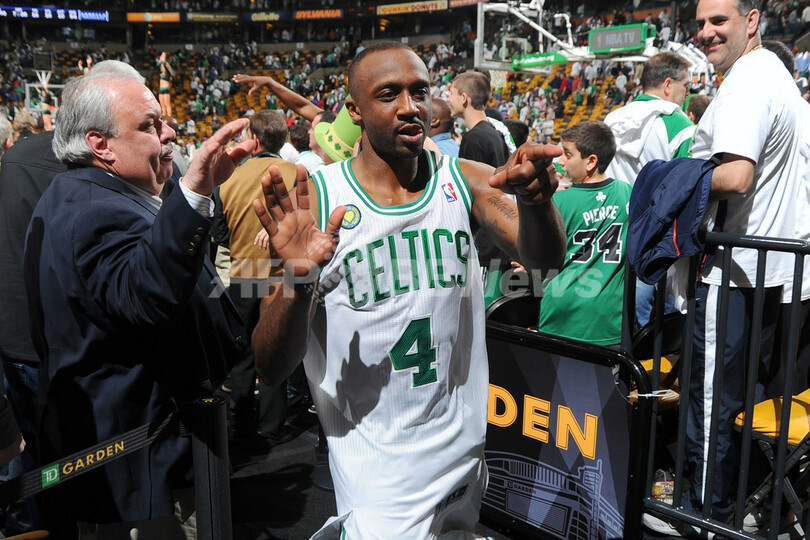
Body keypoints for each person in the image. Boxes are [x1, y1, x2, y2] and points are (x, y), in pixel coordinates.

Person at [250, 41, 566, 538]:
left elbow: (545, 261)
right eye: (388, 94)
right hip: (379, 477)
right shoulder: (316, 200)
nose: (409, 106)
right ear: (355, 110)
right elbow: (270, 366)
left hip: (464, 456)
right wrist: (298, 279)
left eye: (419, 91)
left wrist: (536, 201)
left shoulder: (464, 179)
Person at [24, 61, 252, 537]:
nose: (169, 134)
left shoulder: (92, 194)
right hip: (143, 467)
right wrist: (194, 192)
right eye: (150, 125)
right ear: (101, 145)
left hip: (144, 455)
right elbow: (148, 296)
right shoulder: (97, 210)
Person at [643, 0, 807, 534]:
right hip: (772, 272)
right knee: (743, 400)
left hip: (732, 272)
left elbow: (736, 176)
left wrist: (669, 177)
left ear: (752, 20)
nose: (706, 33)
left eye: (719, 21)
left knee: (712, 399)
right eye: (701, 23)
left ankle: (702, 514)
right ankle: (737, 507)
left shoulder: (745, 84)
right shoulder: (777, 77)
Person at [218, 110, 296, 449]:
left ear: (254, 139)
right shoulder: (297, 173)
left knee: (243, 354)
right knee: (274, 349)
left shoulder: (230, 178)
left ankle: (240, 421)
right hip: (281, 275)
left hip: (243, 273)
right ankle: (271, 426)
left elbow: (219, 234)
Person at [603, 51, 695, 327]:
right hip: (653, 246)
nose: (687, 93)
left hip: (609, 236)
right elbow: (685, 189)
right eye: (685, 86)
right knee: (654, 331)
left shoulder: (611, 119)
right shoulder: (680, 126)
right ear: (668, 84)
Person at [537, 121, 631, 347]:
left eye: (568, 154)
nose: (561, 161)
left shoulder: (558, 201)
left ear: (591, 161)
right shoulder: (628, 193)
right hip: (610, 314)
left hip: (564, 313)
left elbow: (541, 263)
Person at [447, 71, 513, 307]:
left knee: (480, 311)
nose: (448, 99)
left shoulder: (474, 138)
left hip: (485, 243)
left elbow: (471, 195)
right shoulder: (493, 132)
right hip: (496, 238)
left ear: (464, 98)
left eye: (451, 93)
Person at [157, 51, 174, 117]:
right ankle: (163, 117)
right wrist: (160, 60)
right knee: (162, 105)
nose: (162, 68)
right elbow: (157, 65)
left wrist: (163, 58)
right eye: (161, 67)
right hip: (161, 89)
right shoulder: (161, 74)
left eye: (163, 67)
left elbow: (165, 65)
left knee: (167, 104)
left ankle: (169, 116)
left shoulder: (168, 73)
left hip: (166, 89)